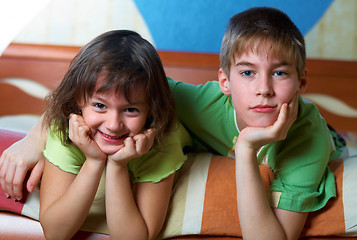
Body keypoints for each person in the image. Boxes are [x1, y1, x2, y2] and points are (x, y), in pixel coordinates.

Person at [0, 7, 346, 240]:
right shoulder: (187, 103)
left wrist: (246, 149)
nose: (264, 90)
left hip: (327, 138)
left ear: (301, 84)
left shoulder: (307, 141)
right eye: (247, 73)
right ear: (224, 82)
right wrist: (34, 138)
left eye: (281, 73)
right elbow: (86, 97)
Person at [1, 30, 191, 240]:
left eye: (131, 110)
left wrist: (117, 166)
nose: (113, 125)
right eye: (100, 105)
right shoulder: (66, 128)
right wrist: (93, 161)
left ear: (151, 111)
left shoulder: (163, 139)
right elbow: (55, 233)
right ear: (77, 101)